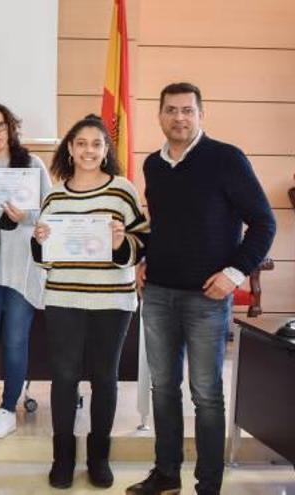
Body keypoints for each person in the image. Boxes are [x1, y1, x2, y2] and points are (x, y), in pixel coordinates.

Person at [127, 83, 275, 495]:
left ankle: (208, 485)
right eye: (171, 110)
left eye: (188, 111)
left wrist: (235, 272)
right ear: (159, 115)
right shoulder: (154, 166)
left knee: (206, 394)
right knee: (162, 389)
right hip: (157, 294)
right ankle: (166, 475)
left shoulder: (226, 159)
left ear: (201, 115)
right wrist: (144, 259)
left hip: (207, 299)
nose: (179, 118)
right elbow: (165, 225)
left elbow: (264, 223)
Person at [31, 114, 149, 489]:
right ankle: (62, 459)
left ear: (106, 150)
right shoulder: (54, 193)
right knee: (64, 377)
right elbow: (43, 257)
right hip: (64, 297)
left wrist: (119, 243)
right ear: (70, 147)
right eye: (81, 143)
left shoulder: (122, 190)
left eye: (96, 144)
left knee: (104, 377)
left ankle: (99, 457)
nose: (88, 150)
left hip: (112, 299)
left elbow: (141, 246)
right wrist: (39, 239)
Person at [0, 101, 52, 439]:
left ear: (10, 127)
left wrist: (25, 218)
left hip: (23, 269)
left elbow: (49, 214)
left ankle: (7, 409)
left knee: (16, 342)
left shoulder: (32, 164)